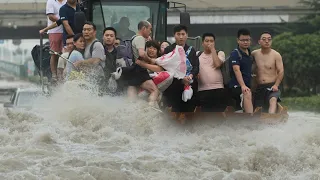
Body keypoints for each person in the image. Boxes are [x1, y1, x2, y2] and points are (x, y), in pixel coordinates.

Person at [163, 24, 199, 114]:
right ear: (174, 35)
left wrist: (190, 76)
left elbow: (196, 66)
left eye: (183, 34)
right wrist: (181, 78)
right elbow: (166, 68)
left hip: (189, 84)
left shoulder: (192, 50)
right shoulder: (168, 50)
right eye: (178, 34)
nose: (181, 37)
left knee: (189, 113)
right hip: (174, 86)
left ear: (187, 35)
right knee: (174, 113)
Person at [127, 21, 159, 106]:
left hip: (133, 69)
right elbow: (141, 53)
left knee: (133, 95)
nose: (150, 32)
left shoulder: (134, 37)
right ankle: (150, 109)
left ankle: (130, 111)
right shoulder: (140, 38)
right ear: (144, 28)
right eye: (150, 29)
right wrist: (150, 60)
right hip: (140, 69)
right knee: (154, 90)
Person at [252, 31, 284, 113]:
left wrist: (276, 85)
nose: (267, 41)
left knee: (273, 100)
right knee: (258, 108)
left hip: (272, 86)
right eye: (264, 39)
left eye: (269, 39)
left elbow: (281, 71)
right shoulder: (254, 54)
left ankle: (271, 118)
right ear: (259, 41)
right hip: (259, 87)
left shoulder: (276, 55)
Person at [197, 33, 226, 112]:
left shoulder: (220, 53)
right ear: (202, 43)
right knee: (206, 117)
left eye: (211, 41)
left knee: (218, 115)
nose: (209, 43)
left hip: (218, 89)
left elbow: (217, 64)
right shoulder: (198, 55)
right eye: (207, 41)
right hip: (203, 90)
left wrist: (213, 50)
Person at [228, 28, 254, 113]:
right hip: (236, 86)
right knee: (247, 93)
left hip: (247, 86)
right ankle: (250, 118)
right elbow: (236, 70)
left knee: (240, 110)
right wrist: (243, 85)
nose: (246, 42)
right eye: (243, 40)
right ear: (238, 40)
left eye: (247, 40)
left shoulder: (250, 53)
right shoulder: (235, 53)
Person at [46, 0, 66, 83]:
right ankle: (54, 75)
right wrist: (63, 21)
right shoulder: (50, 1)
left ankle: (62, 74)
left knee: (64, 53)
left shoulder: (67, 1)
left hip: (65, 30)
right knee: (54, 53)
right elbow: (50, 16)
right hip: (54, 31)